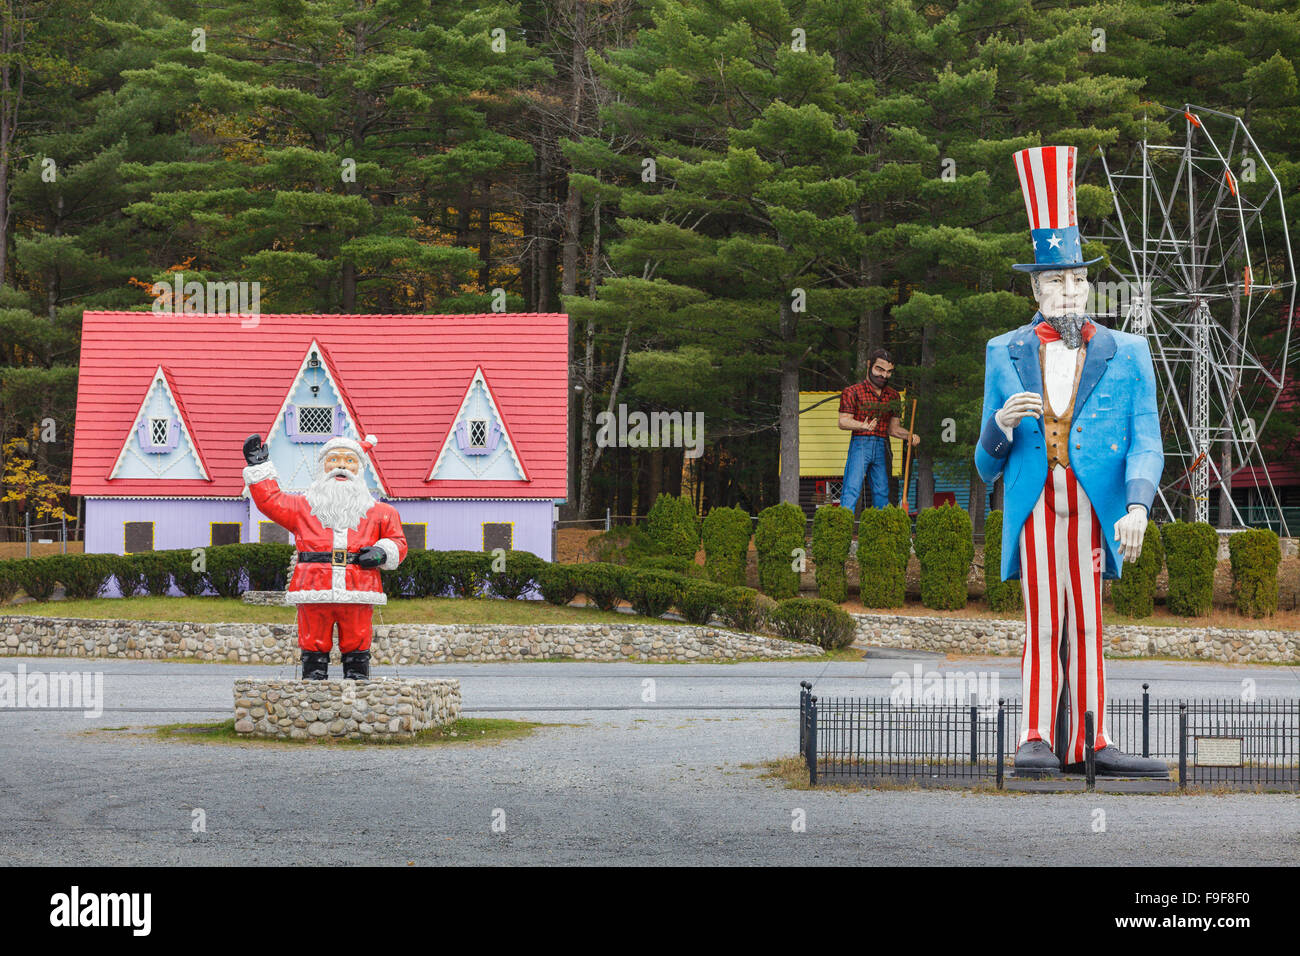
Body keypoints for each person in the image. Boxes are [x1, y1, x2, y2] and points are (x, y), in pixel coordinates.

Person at [974, 145, 1167, 777]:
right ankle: (1035, 737)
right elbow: (983, 464)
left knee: (1088, 624)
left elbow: (1147, 439)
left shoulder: (1129, 352)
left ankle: (1092, 740)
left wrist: (1138, 502)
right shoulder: (1002, 352)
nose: (1069, 290)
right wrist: (1000, 430)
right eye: (1055, 280)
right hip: (1035, 506)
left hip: (1092, 508)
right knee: (1042, 623)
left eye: (1078, 279)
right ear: (1034, 287)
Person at [242, 432, 407, 680]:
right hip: (313, 586)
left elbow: (398, 542)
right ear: (323, 467)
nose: (341, 466)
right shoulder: (302, 508)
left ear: (360, 469)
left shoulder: (381, 512)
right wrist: (259, 466)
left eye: (349, 461)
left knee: (358, 636)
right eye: (334, 459)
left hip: (358, 587)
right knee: (313, 637)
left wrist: (382, 552)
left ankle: (357, 679)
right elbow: (270, 501)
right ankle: (313, 680)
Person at [837, 349, 919, 513]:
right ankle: (843, 530)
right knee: (852, 489)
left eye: (888, 372)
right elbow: (843, 421)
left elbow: (893, 429)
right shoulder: (852, 391)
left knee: (882, 492)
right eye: (879, 369)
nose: (884, 375)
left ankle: (880, 534)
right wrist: (862, 425)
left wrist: (909, 435)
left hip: (882, 445)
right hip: (860, 443)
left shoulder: (893, 396)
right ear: (869, 365)